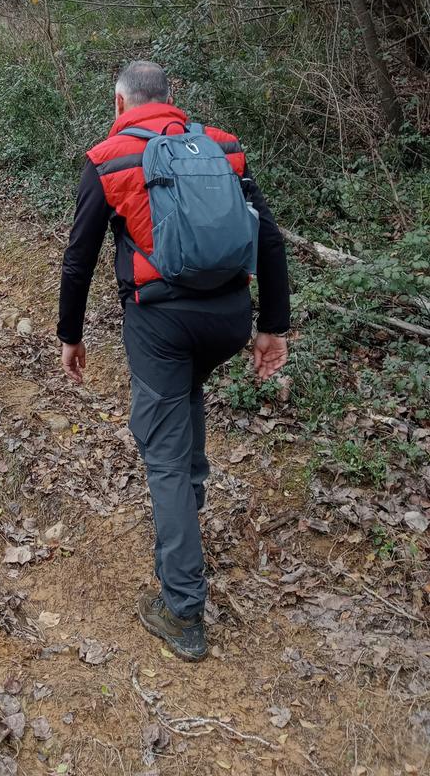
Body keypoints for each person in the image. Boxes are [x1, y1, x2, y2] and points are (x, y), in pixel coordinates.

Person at [58, 60, 290, 661]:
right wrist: (273, 327)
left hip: (161, 322)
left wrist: (71, 335)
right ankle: (187, 503)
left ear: (119, 102)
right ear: (172, 98)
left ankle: (182, 609)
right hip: (229, 318)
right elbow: (268, 237)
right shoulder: (223, 148)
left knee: (161, 450)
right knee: (184, 401)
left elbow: (78, 259)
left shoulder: (109, 159)